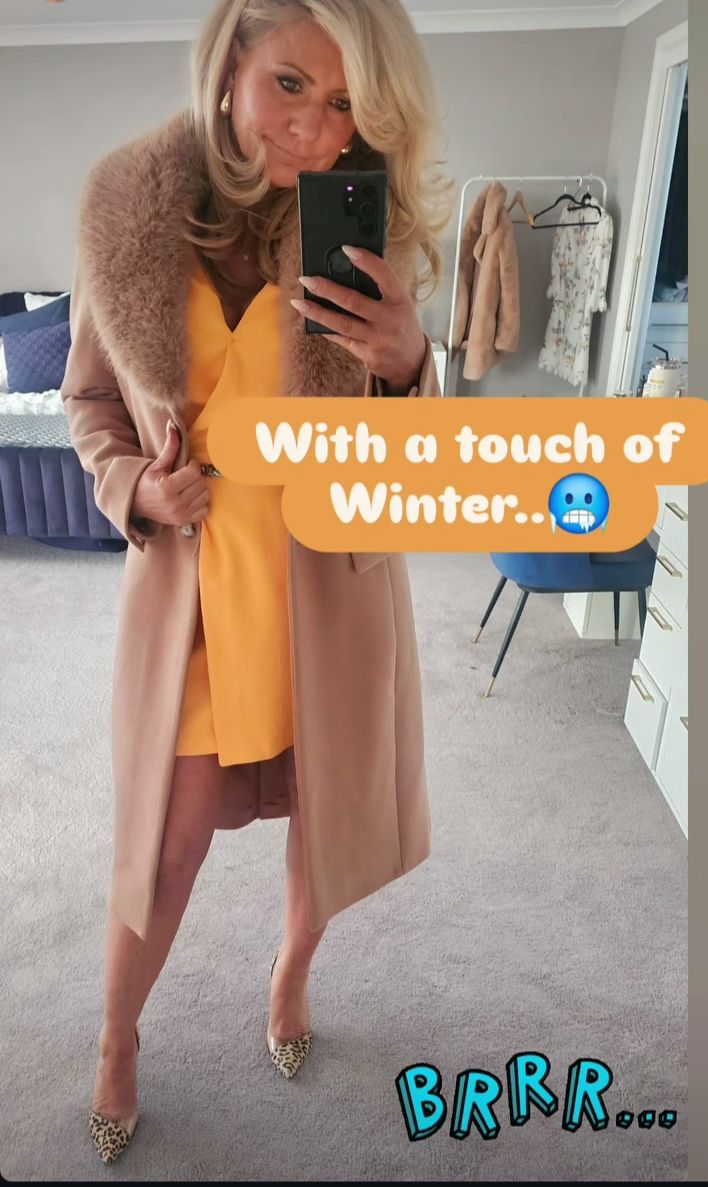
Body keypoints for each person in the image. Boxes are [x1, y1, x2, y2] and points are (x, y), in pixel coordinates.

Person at [60, 0, 454, 1166]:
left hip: (324, 585)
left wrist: (411, 367)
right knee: (168, 839)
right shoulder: (127, 216)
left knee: (323, 823)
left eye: (344, 106)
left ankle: (290, 973)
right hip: (196, 585)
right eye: (290, 84)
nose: (316, 132)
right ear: (230, 56)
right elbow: (90, 403)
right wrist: (135, 483)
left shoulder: (363, 227)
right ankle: (115, 1036)